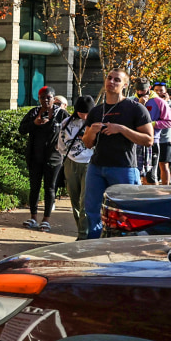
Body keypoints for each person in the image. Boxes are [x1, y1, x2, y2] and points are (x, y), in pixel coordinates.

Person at [82, 70, 154, 239]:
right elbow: (87, 143)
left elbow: (148, 140)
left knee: (127, 213)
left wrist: (121, 129)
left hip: (124, 167)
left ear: (125, 85)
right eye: (109, 78)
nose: (112, 82)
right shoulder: (96, 111)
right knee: (92, 210)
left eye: (117, 80)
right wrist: (92, 131)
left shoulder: (136, 108)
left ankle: (124, 248)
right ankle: (94, 246)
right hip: (96, 167)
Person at [18, 86, 68, 232]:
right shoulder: (34, 112)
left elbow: (71, 130)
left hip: (54, 158)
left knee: (50, 187)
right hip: (34, 157)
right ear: (38, 99)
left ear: (54, 98)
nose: (45, 100)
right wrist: (34, 123)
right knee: (34, 187)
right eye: (42, 97)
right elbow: (22, 129)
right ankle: (33, 217)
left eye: (49, 97)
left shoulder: (61, 114)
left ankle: (46, 219)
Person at [58, 95, 94, 240]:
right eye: (80, 112)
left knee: (84, 200)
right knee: (74, 199)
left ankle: (83, 235)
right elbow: (60, 144)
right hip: (70, 162)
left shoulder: (96, 123)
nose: (84, 115)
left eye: (87, 112)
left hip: (90, 163)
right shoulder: (66, 123)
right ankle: (81, 229)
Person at [133, 78, 169, 184]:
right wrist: (140, 105)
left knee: (150, 176)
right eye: (138, 89)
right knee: (134, 174)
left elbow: (169, 122)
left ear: (149, 88)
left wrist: (151, 124)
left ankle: (154, 199)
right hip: (134, 141)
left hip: (152, 142)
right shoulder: (131, 100)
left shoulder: (159, 102)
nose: (140, 92)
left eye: (143, 90)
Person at [154, 82, 171, 185]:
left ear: (166, 92)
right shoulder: (150, 103)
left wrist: (165, 102)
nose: (159, 93)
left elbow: (169, 117)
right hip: (152, 138)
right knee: (150, 165)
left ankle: (165, 187)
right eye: (156, 91)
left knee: (164, 165)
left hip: (164, 139)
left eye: (161, 91)